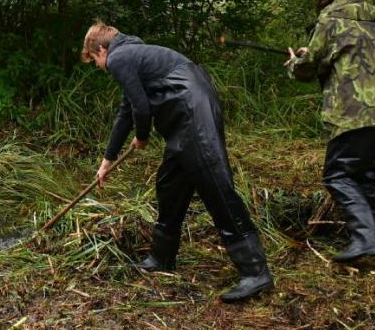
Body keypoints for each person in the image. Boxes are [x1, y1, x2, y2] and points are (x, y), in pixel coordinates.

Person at [81, 21, 273, 302]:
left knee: (215, 186)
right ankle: (162, 257)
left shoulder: (120, 57)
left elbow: (141, 109)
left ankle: (256, 272)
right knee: (170, 184)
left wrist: (143, 137)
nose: (99, 67)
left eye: (95, 60)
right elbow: (127, 111)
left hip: (190, 111)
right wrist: (107, 160)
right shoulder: (134, 54)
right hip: (183, 118)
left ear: (100, 49)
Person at [287, 0, 375, 263]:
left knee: (338, 176)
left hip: (357, 115)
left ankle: (364, 238)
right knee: (368, 181)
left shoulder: (330, 20)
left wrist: (294, 62)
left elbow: (308, 67)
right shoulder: (373, 23)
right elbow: (346, 55)